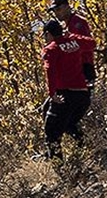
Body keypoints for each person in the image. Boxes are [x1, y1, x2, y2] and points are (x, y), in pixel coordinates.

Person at [40, 19, 95, 160]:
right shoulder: (74, 41)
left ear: (48, 34)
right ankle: (88, 150)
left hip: (65, 95)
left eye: (45, 36)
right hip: (83, 95)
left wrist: (52, 94)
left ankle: (60, 170)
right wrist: (73, 36)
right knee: (68, 124)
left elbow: (50, 71)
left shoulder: (51, 49)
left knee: (51, 132)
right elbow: (92, 44)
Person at [48, 0, 96, 90]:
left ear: (67, 7)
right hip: (74, 70)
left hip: (83, 68)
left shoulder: (78, 22)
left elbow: (86, 45)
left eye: (58, 9)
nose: (56, 13)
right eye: (54, 11)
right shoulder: (65, 25)